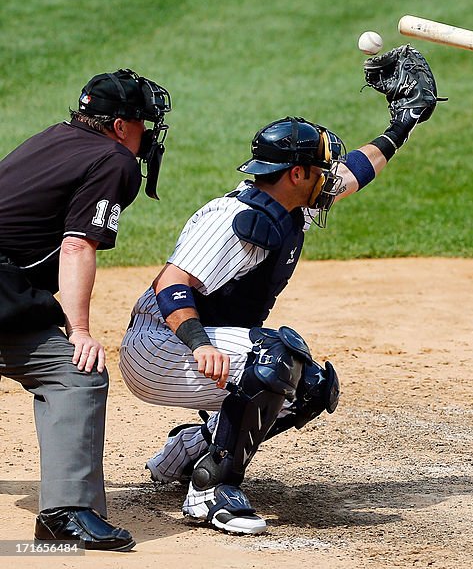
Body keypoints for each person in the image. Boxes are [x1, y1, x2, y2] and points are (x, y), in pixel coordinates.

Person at [118, 46, 442, 535]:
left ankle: (190, 451)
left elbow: (354, 172)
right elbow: (171, 285)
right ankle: (211, 490)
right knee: (275, 360)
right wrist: (199, 344)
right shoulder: (232, 221)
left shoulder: (290, 200)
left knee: (311, 386)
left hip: (189, 346)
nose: (329, 175)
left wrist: (404, 123)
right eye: (319, 167)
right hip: (159, 347)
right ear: (296, 174)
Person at [0, 69, 172, 550]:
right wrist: (79, 330)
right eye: (143, 122)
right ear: (120, 126)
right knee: (74, 375)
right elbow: (77, 246)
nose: (148, 133)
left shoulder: (52, 138)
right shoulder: (113, 159)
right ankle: (66, 514)